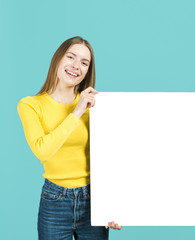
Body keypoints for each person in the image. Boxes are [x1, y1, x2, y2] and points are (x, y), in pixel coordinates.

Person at [18, 36, 121, 240]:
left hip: (94, 199)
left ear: (87, 71)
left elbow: (112, 157)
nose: (76, 66)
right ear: (58, 59)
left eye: (84, 63)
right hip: (54, 201)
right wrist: (77, 111)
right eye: (71, 57)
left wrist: (113, 202)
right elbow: (43, 150)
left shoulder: (95, 107)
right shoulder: (30, 105)